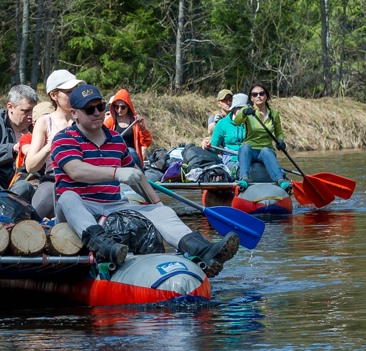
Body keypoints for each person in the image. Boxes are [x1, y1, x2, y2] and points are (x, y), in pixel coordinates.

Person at [52, 82, 239, 278]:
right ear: (74, 113)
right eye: (90, 109)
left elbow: (136, 176)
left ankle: (203, 251)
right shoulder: (65, 139)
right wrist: (116, 173)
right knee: (67, 197)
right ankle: (104, 247)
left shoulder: (116, 140)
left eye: (101, 107)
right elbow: (75, 171)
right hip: (78, 207)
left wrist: (157, 206)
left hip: (113, 204)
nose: (98, 112)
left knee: (162, 211)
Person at [26, 69, 82, 219]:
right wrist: (50, 146)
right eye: (69, 92)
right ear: (54, 95)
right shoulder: (45, 122)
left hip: (84, 178)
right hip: (53, 178)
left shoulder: (85, 118)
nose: (75, 95)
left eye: (76, 90)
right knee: (41, 208)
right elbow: (30, 166)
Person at [231, 83, 291, 192]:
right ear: (251, 98)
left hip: (265, 150)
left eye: (261, 93)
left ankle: (280, 180)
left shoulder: (274, 114)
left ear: (266, 96)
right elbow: (237, 121)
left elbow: (279, 133)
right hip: (250, 149)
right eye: (255, 94)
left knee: (266, 151)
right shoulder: (247, 110)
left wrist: (281, 141)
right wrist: (244, 113)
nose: (258, 96)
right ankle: (244, 178)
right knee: (245, 147)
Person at [104, 89, 153, 168]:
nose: (119, 110)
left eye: (123, 107)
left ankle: (141, 177)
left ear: (128, 107)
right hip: (115, 155)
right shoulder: (109, 122)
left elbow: (146, 142)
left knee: (131, 151)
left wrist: (142, 128)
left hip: (132, 157)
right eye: (116, 107)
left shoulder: (135, 122)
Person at [209, 92, 248, 162]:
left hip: (250, 158)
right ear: (234, 108)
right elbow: (213, 146)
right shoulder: (221, 122)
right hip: (231, 159)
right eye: (240, 108)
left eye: (245, 108)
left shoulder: (251, 123)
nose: (243, 111)